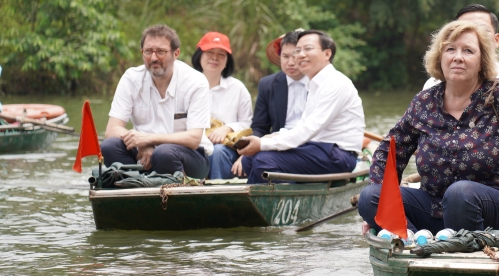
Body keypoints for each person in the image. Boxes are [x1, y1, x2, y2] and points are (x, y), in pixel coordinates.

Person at [359, 20, 499, 249]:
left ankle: (459, 251)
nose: (458, 57)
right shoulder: (424, 103)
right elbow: (388, 152)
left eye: (468, 51)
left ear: (481, 61)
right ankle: (413, 242)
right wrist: (381, 214)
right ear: (440, 57)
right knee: (370, 197)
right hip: (436, 209)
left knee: (460, 193)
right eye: (450, 49)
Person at [235, 30, 365, 183]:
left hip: (338, 154)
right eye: (298, 51)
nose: (300, 55)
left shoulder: (335, 83)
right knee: (248, 160)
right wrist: (270, 138)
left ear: (327, 54)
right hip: (315, 148)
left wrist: (262, 144)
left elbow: (308, 129)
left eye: (308, 49)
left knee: (264, 160)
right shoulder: (314, 84)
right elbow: (302, 125)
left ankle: (261, 205)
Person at [102, 24, 211, 177]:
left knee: (163, 153)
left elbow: (193, 138)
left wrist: (147, 140)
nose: (153, 58)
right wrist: (143, 145)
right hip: (143, 154)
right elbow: (112, 130)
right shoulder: (131, 78)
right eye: (148, 51)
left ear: (176, 53)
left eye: (161, 51)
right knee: (109, 146)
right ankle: (133, 185)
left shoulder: (195, 81)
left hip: (190, 156)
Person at [423, 4, 499, 114]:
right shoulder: (432, 88)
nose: (473, 34)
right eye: (462, 29)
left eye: (481, 30)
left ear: (496, 40)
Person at [191, 32, 253, 180]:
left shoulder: (237, 88)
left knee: (217, 151)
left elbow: (248, 123)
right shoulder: (187, 86)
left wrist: (227, 128)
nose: (215, 57)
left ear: (227, 61)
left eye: (221, 54)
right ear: (199, 56)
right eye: (209, 52)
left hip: (226, 148)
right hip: (193, 145)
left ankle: (217, 197)